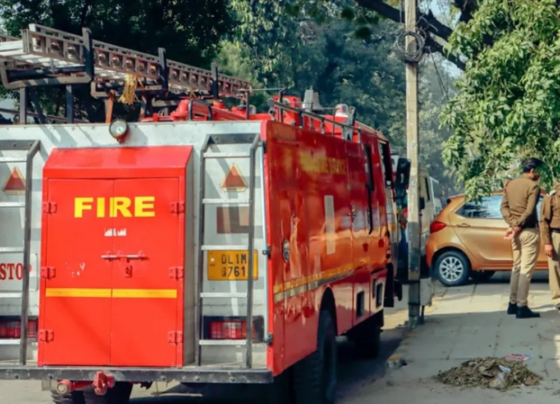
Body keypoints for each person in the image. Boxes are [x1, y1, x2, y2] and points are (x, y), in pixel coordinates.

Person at [500, 158, 544, 319]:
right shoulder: (533, 186)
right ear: (532, 170)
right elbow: (529, 211)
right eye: (540, 171)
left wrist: (512, 224)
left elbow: (503, 207)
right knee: (526, 270)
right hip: (528, 231)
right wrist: (518, 225)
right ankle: (522, 306)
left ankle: (512, 303)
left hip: (516, 232)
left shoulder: (511, 184)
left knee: (517, 267)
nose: (541, 175)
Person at [540, 180, 560, 310]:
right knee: (555, 267)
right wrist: (547, 242)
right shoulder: (551, 197)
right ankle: (558, 299)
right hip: (557, 234)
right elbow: (544, 221)